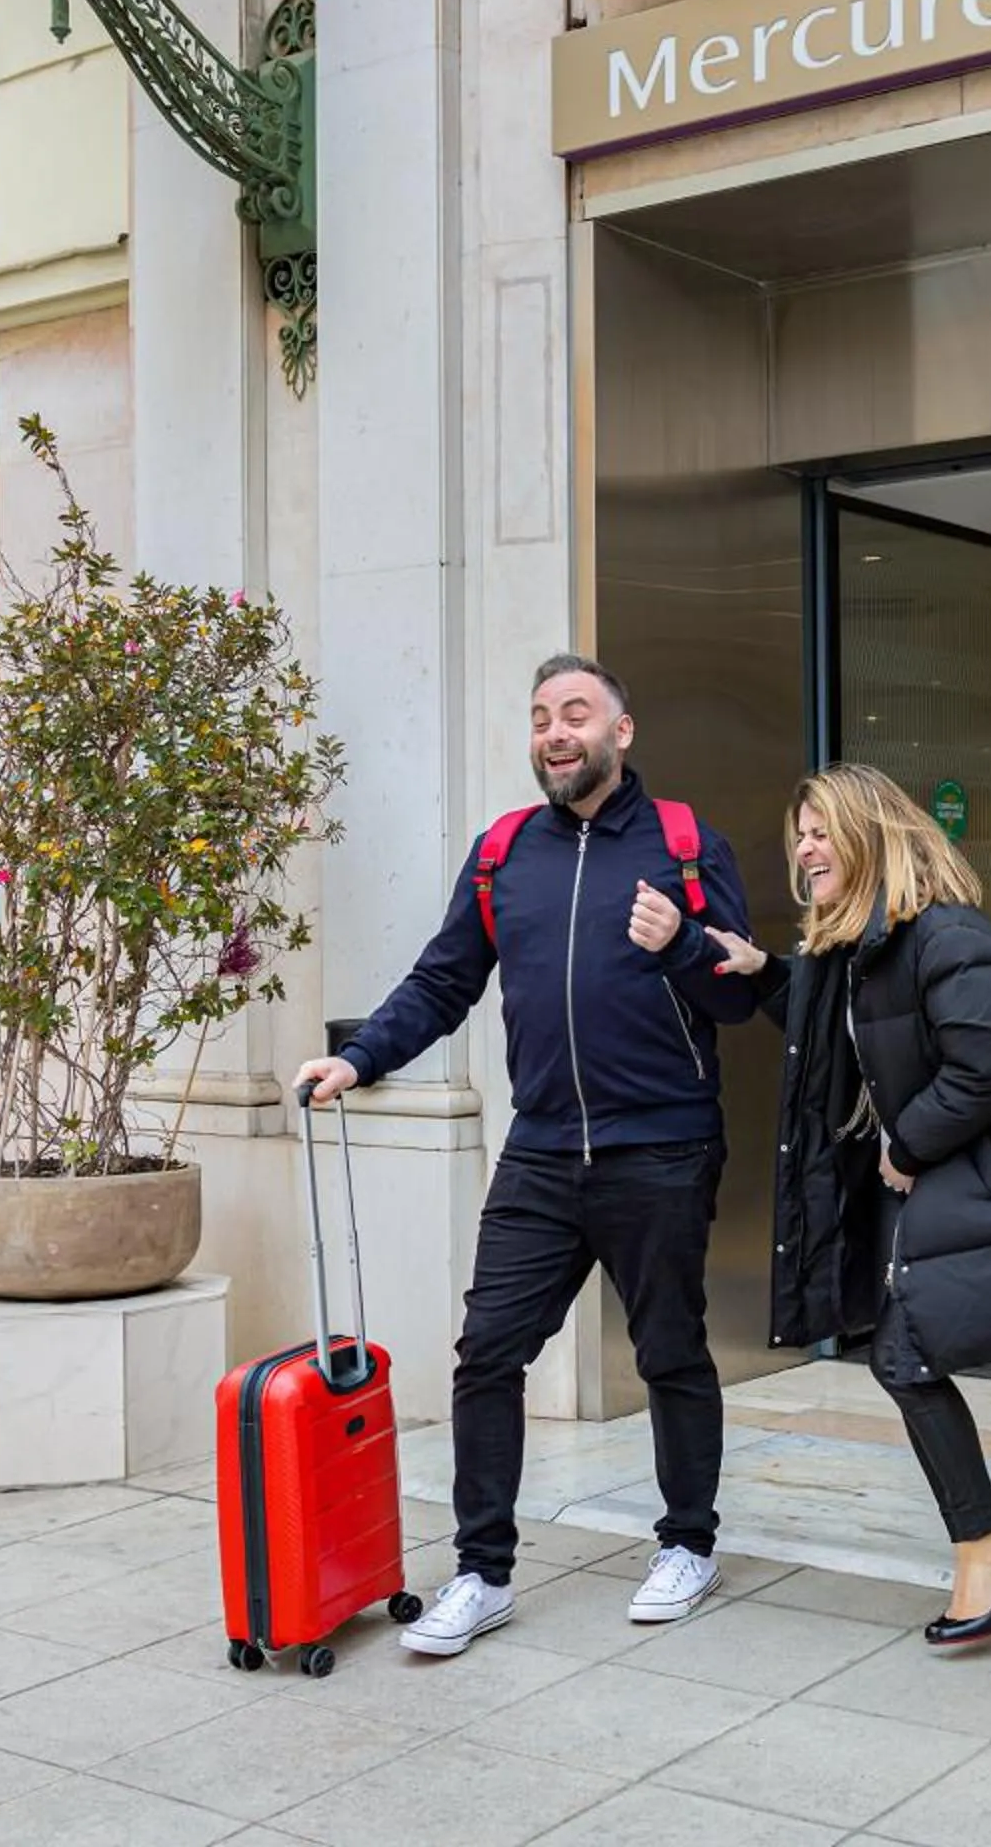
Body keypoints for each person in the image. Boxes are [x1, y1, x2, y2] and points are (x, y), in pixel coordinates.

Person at [296, 653, 759, 1658]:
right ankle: (482, 1569)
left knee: (670, 1351)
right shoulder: (505, 852)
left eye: (577, 713)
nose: (556, 731)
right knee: (487, 1354)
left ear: (620, 731)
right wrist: (359, 1055)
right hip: (542, 1151)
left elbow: (740, 993)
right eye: (542, 714)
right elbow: (443, 979)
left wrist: (683, 940)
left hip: (663, 1146)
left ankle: (688, 1542)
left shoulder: (684, 842)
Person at [702, 762, 991, 1646]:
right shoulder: (862, 950)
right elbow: (837, 1036)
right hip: (916, 1187)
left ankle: (987, 1552)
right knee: (903, 1359)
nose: (803, 846)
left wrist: (908, 1144)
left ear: (870, 836)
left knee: (905, 1358)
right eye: (797, 832)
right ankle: (987, 1548)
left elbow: (984, 1068)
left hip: (960, 1178)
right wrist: (766, 968)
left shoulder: (946, 937)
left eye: (819, 829)